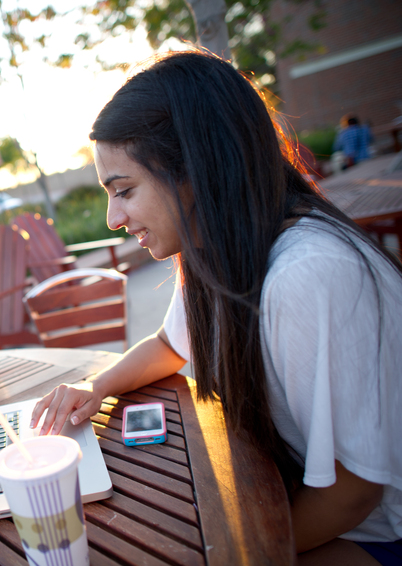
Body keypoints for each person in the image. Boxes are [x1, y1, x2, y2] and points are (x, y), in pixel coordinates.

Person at [31, 51, 402, 564]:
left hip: (377, 531)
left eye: (125, 190)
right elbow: (169, 344)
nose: (113, 218)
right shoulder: (216, 251)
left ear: (196, 169)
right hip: (309, 501)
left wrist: (233, 549)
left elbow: (356, 492)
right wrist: (95, 388)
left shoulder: (307, 273)